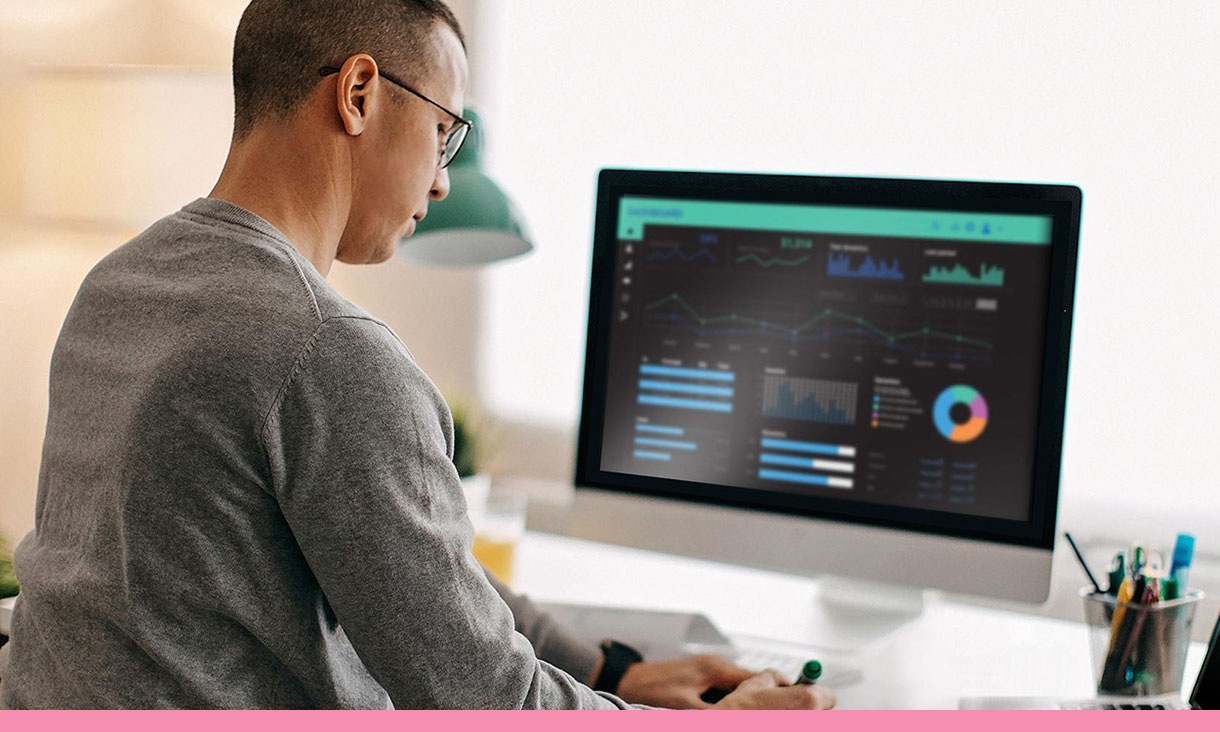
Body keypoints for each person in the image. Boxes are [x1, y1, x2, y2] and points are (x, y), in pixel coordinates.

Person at [0, 0, 834, 710]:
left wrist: (613, 669)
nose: (441, 182)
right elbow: (483, 699)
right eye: (445, 132)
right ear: (359, 93)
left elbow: (411, 566)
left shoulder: (121, 282)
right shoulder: (325, 353)